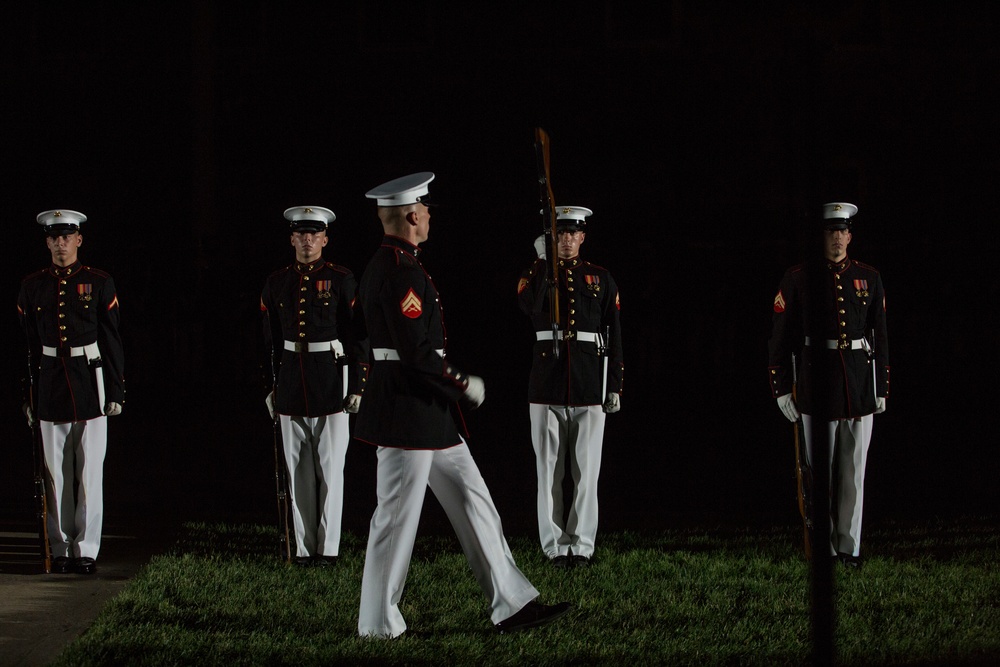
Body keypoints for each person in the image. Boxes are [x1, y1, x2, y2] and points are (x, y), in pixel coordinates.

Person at [354, 172, 570, 638]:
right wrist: (461, 383)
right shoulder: (400, 270)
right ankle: (377, 623)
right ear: (412, 215)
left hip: (425, 415)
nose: (429, 215)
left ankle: (512, 604)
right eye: (426, 209)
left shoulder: (391, 265)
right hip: (408, 413)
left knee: (476, 503)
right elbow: (414, 354)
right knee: (394, 519)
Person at [768, 202, 889, 568]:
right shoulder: (799, 277)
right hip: (816, 384)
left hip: (858, 384)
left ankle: (849, 547)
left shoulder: (868, 277)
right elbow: (779, 338)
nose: (837, 238)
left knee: (854, 472)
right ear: (821, 235)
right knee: (819, 474)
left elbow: (880, 336)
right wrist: (781, 387)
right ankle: (825, 546)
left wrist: (881, 386)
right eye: (830, 231)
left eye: (843, 231)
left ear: (850, 236)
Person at [17, 210, 125, 575]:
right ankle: (60, 548)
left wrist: (116, 389)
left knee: (89, 472)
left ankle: (87, 550)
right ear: (47, 242)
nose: (61, 243)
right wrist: (27, 394)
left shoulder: (98, 282)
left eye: (68, 237)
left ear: (79, 240)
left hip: (89, 379)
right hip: (49, 381)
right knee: (55, 474)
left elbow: (111, 339)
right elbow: (27, 345)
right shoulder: (33, 286)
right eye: (54, 237)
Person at [517, 207, 624, 568]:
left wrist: (615, 385)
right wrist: (541, 261)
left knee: (586, 471)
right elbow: (529, 307)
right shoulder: (539, 274)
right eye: (559, 234)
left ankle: (582, 545)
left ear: (582, 237)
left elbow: (615, 334)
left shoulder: (601, 278)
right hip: (546, 383)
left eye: (571, 234)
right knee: (548, 471)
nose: (565, 240)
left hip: (589, 382)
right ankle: (553, 545)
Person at [260, 206, 366, 566]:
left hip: (331, 381)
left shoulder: (341, 278)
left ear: (325, 238)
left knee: (331, 471)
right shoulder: (277, 282)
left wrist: (358, 384)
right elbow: (268, 340)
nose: (307, 240)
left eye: (314, 234)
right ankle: (304, 549)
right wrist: (269, 386)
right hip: (291, 380)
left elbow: (358, 334)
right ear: (292, 238)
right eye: (301, 234)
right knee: (298, 474)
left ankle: (329, 548)